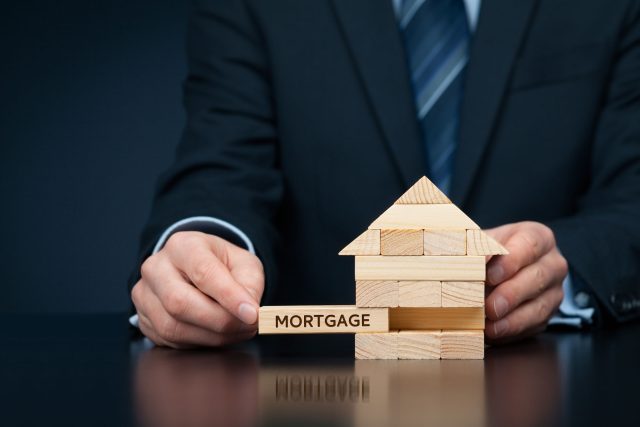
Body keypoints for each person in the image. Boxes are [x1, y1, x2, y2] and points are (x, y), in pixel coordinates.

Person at [129, 0, 640, 348]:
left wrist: (562, 272)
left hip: (551, 388)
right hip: (320, 396)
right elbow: (222, 167)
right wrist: (199, 254)